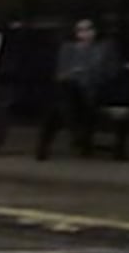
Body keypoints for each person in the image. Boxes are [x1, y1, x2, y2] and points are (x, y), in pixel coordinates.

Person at [44, 16, 121, 157]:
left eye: (88, 29)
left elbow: (112, 71)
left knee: (63, 100)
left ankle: (76, 132)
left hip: (93, 88)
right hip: (70, 87)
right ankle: (77, 132)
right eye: (80, 30)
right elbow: (60, 73)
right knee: (66, 90)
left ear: (96, 30)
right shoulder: (67, 48)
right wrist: (73, 73)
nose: (85, 33)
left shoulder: (105, 47)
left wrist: (87, 72)